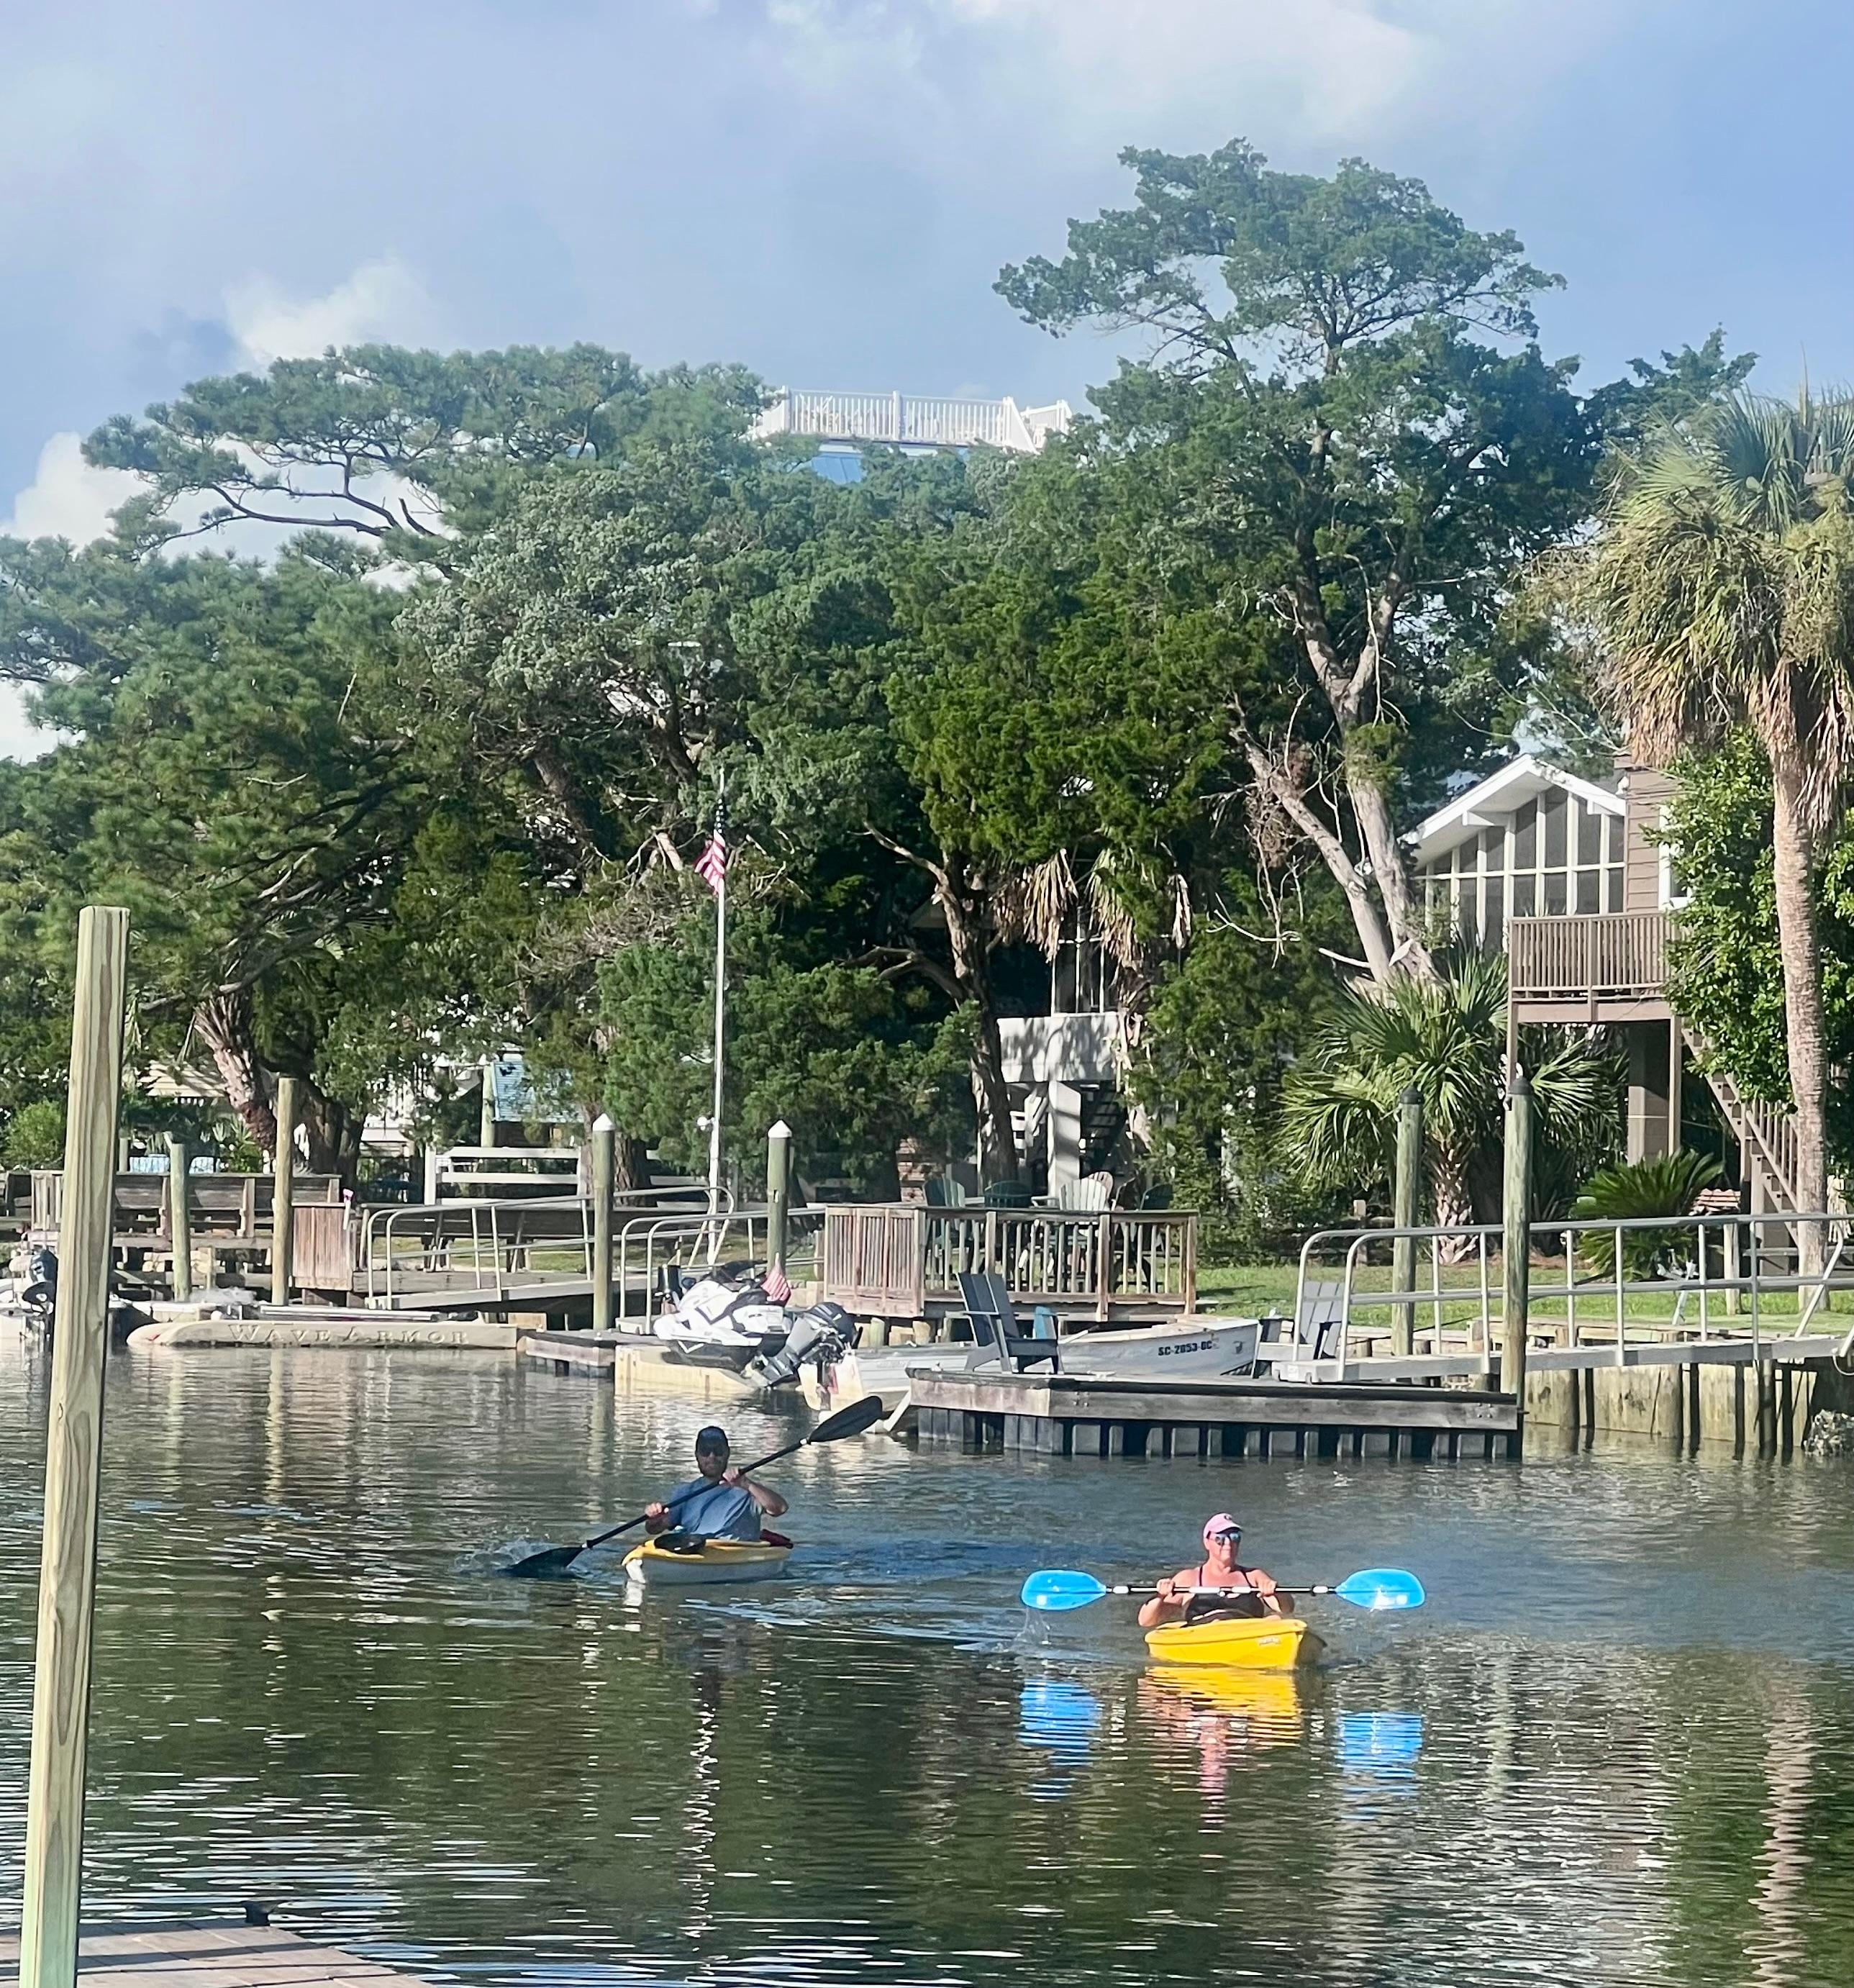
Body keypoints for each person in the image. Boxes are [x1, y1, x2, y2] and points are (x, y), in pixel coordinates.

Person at [1137, 1515, 1291, 1630]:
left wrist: (1277, 1592)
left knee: (1275, 1619)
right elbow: (1146, 1621)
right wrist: (1160, 1596)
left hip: (1246, 1635)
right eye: (1220, 1538)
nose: (1228, 1543)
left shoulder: (1254, 1576)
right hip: (1204, 1637)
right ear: (1207, 1542)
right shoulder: (1189, 1578)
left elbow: (1287, 1608)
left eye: (1235, 1537)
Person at [645, 1425, 789, 1542]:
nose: (712, 1457)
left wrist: (746, 1483)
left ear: (727, 1453)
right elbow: (654, 1529)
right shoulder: (684, 1492)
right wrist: (654, 1519)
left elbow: (780, 1508)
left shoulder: (748, 1492)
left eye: (718, 1451)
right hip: (695, 1550)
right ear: (697, 1455)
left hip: (735, 1554)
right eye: (705, 1451)